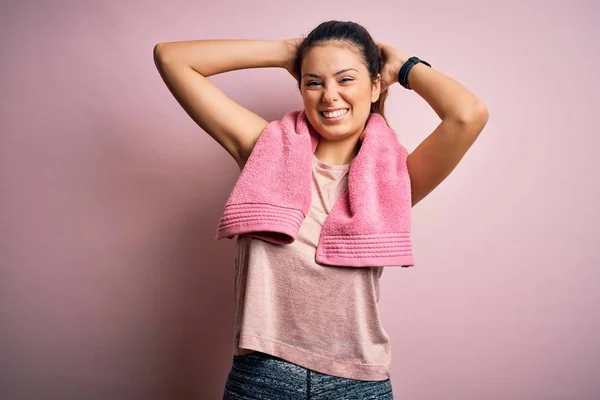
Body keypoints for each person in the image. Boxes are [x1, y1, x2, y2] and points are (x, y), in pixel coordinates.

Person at [154, 20, 488, 400]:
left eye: (346, 80)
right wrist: (287, 52)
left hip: (357, 381)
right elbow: (171, 58)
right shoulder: (263, 150)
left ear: (375, 85)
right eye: (314, 82)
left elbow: (469, 114)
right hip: (262, 376)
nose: (330, 96)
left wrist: (407, 68)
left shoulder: (395, 179)